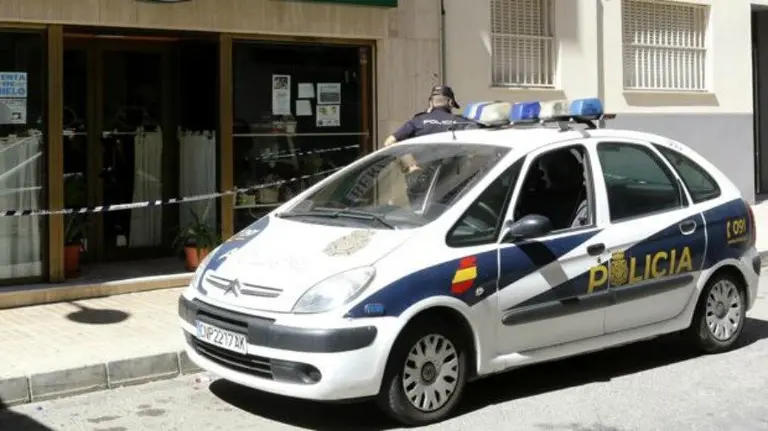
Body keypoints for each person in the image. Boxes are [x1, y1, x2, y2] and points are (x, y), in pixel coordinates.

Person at [383, 85, 466, 173]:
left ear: (431, 102)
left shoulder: (417, 121)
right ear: (450, 102)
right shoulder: (461, 122)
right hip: (452, 180)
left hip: (421, 179)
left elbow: (389, 142)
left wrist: (411, 165)